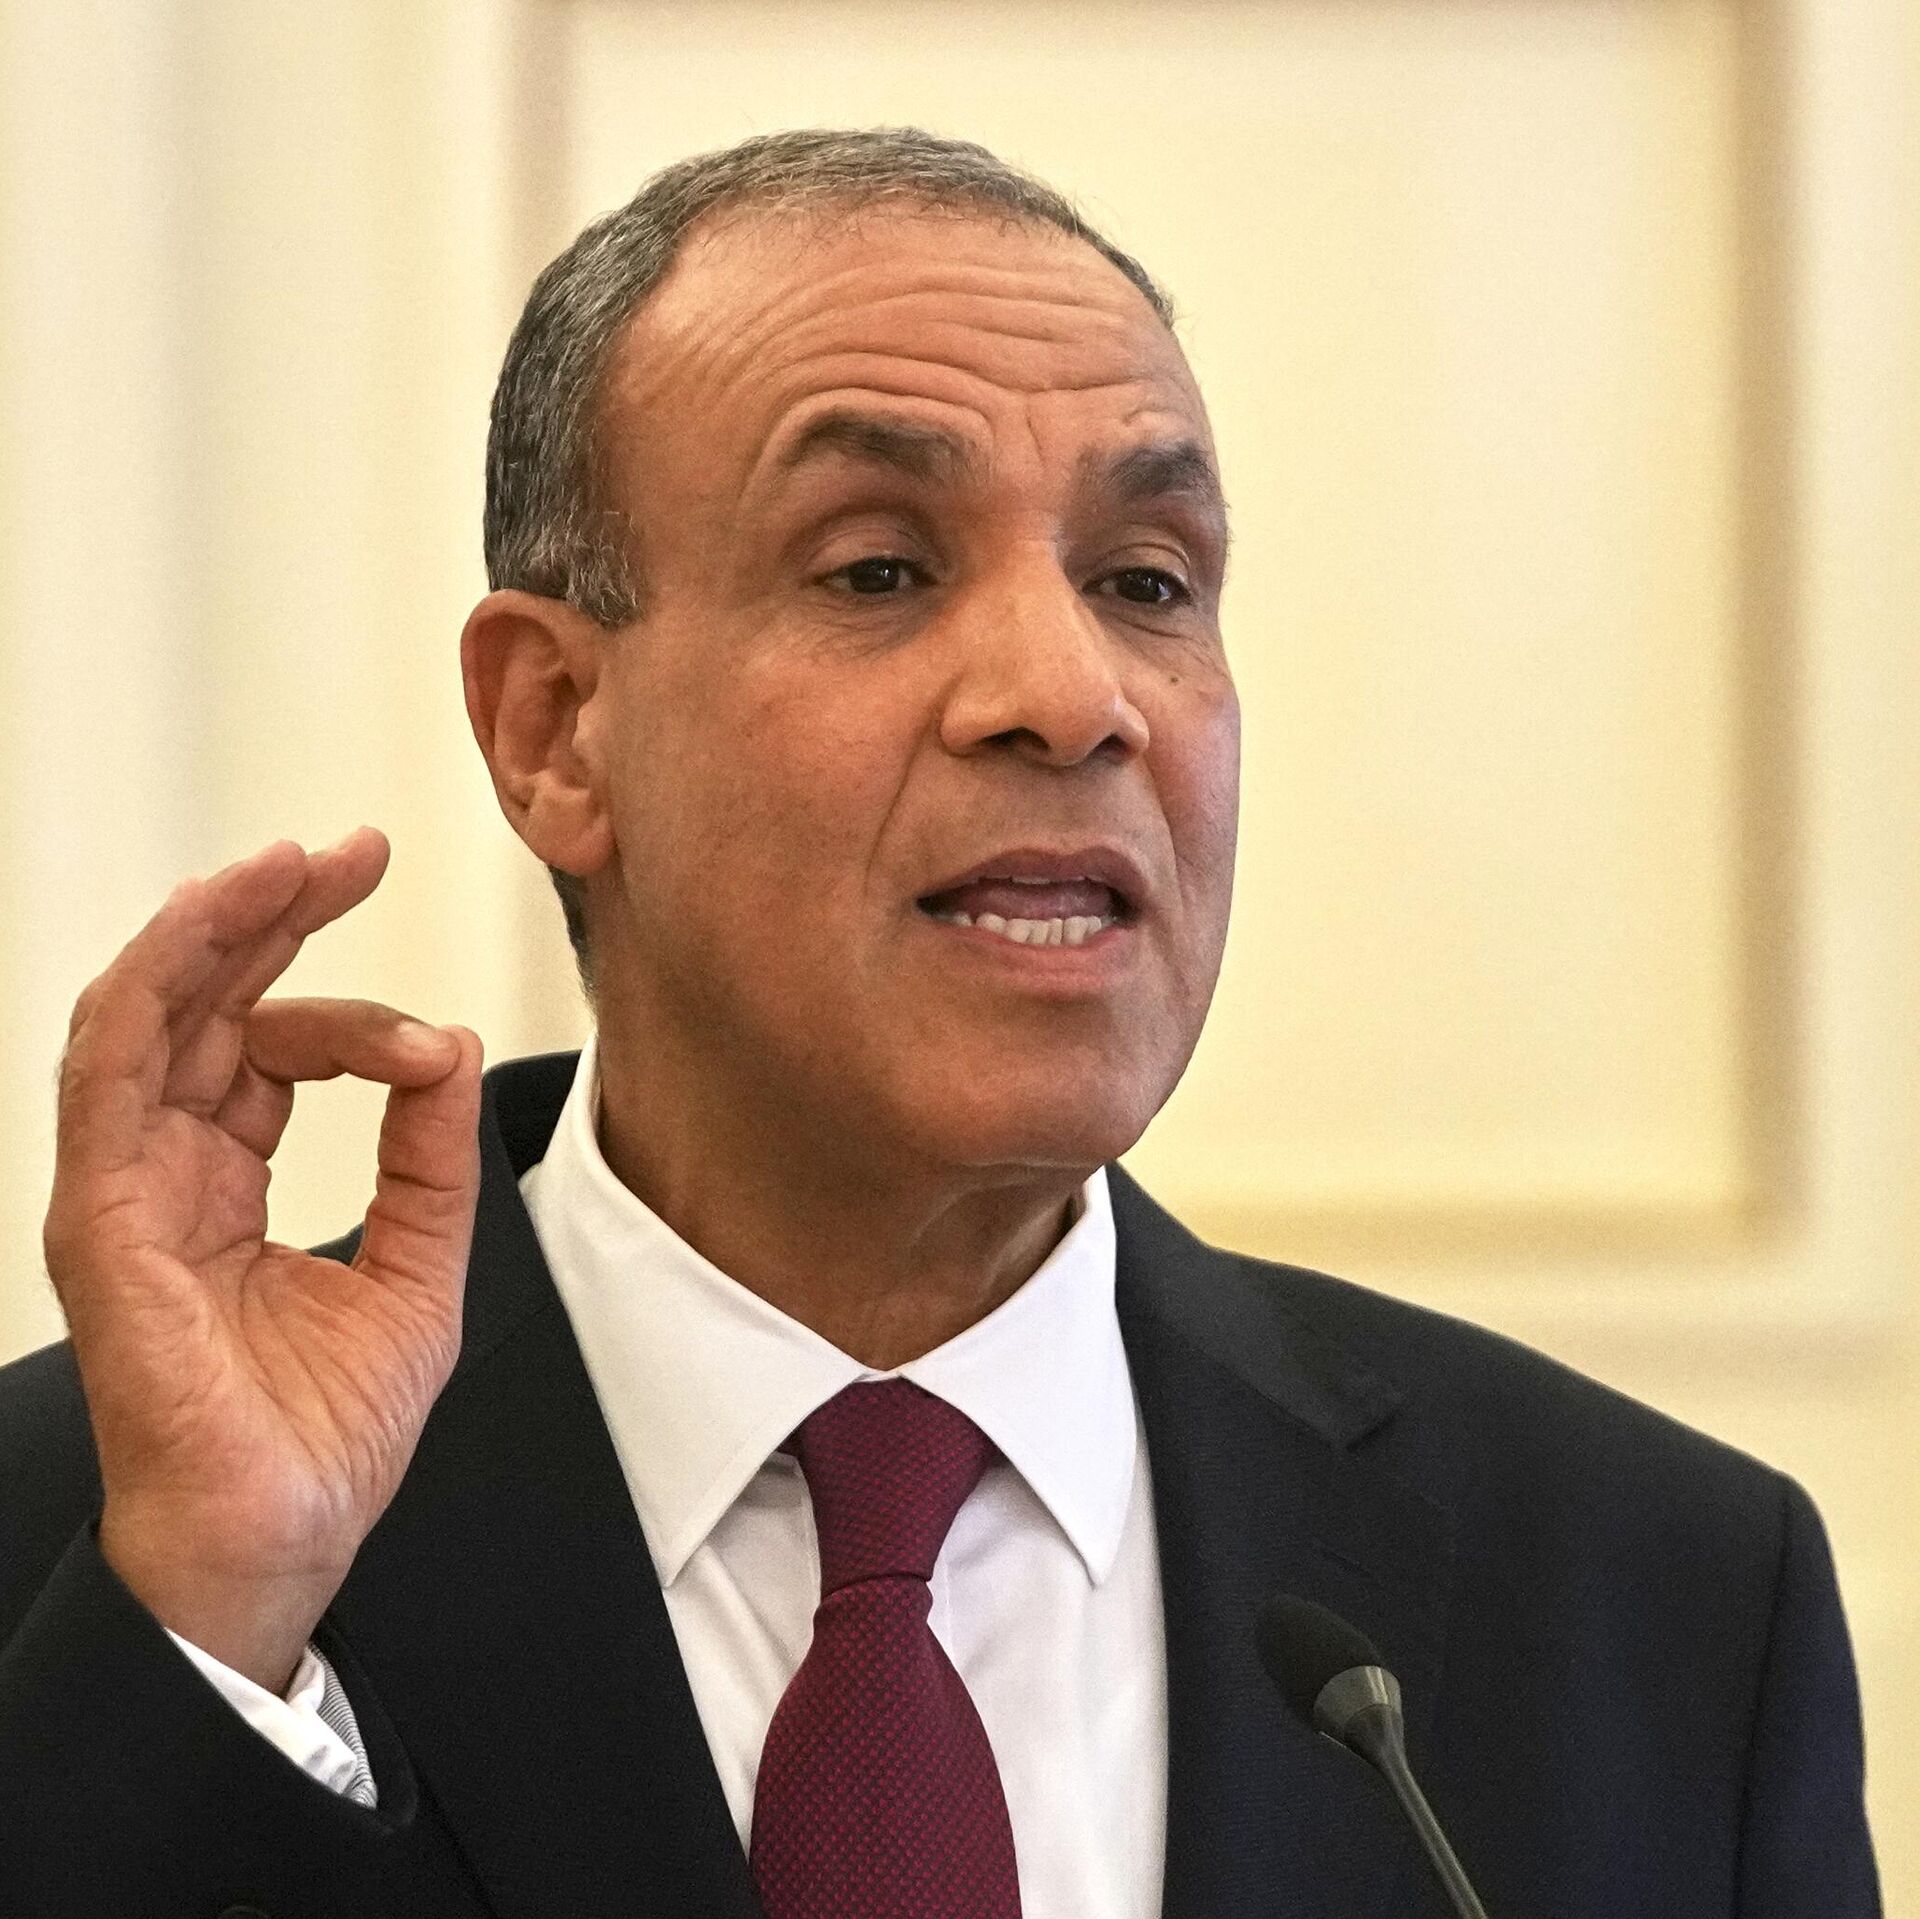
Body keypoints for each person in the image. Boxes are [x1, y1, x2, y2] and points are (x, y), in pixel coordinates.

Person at [0, 128, 1880, 1919]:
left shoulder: (1658, 1600)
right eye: (879, 570)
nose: (1071, 694)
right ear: (556, 727)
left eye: (1145, 583)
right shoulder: (112, 1533)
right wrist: (208, 1626)